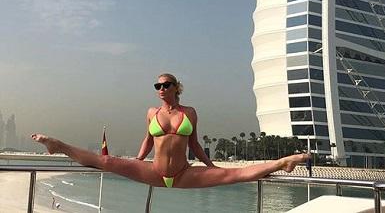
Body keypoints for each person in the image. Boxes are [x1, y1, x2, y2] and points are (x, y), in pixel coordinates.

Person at [32, 73, 309, 189]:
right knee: (105, 160)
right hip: (154, 171)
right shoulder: (151, 113)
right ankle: (59, 145)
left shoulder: (190, 112)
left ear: (177, 87)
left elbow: (195, 144)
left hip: (183, 173)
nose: (161, 89)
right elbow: (148, 141)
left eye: (166, 85)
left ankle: (283, 162)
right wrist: (137, 162)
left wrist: (211, 167)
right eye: (158, 86)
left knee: (232, 175)